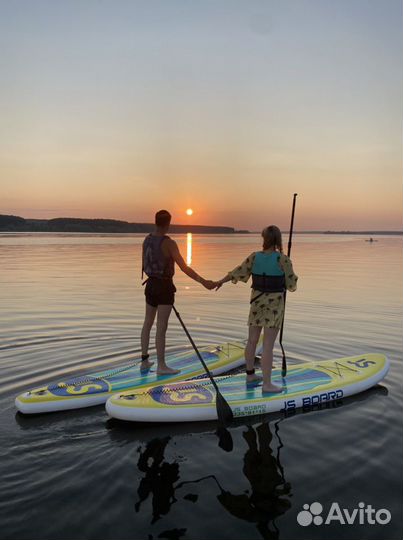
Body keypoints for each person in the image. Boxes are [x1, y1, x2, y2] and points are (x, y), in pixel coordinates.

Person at [214, 225, 298, 393]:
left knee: (252, 340)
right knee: (267, 346)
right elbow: (291, 285)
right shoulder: (283, 260)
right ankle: (267, 385)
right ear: (278, 240)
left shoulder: (254, 257)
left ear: (263, 238)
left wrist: (219, 282)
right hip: (274, 308)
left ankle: (250, 374)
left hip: (256, 304)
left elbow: (237, 272)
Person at [140, 210, 215, 374]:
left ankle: (144, 361)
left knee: (147, 322)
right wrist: (203, 282)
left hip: (150, 285)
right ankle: (161, 366)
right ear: (168, 224)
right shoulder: (169, 243)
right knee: (161, 326)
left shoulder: (147, 239)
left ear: (155, 222)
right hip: (164, 288)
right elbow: (184, 268)